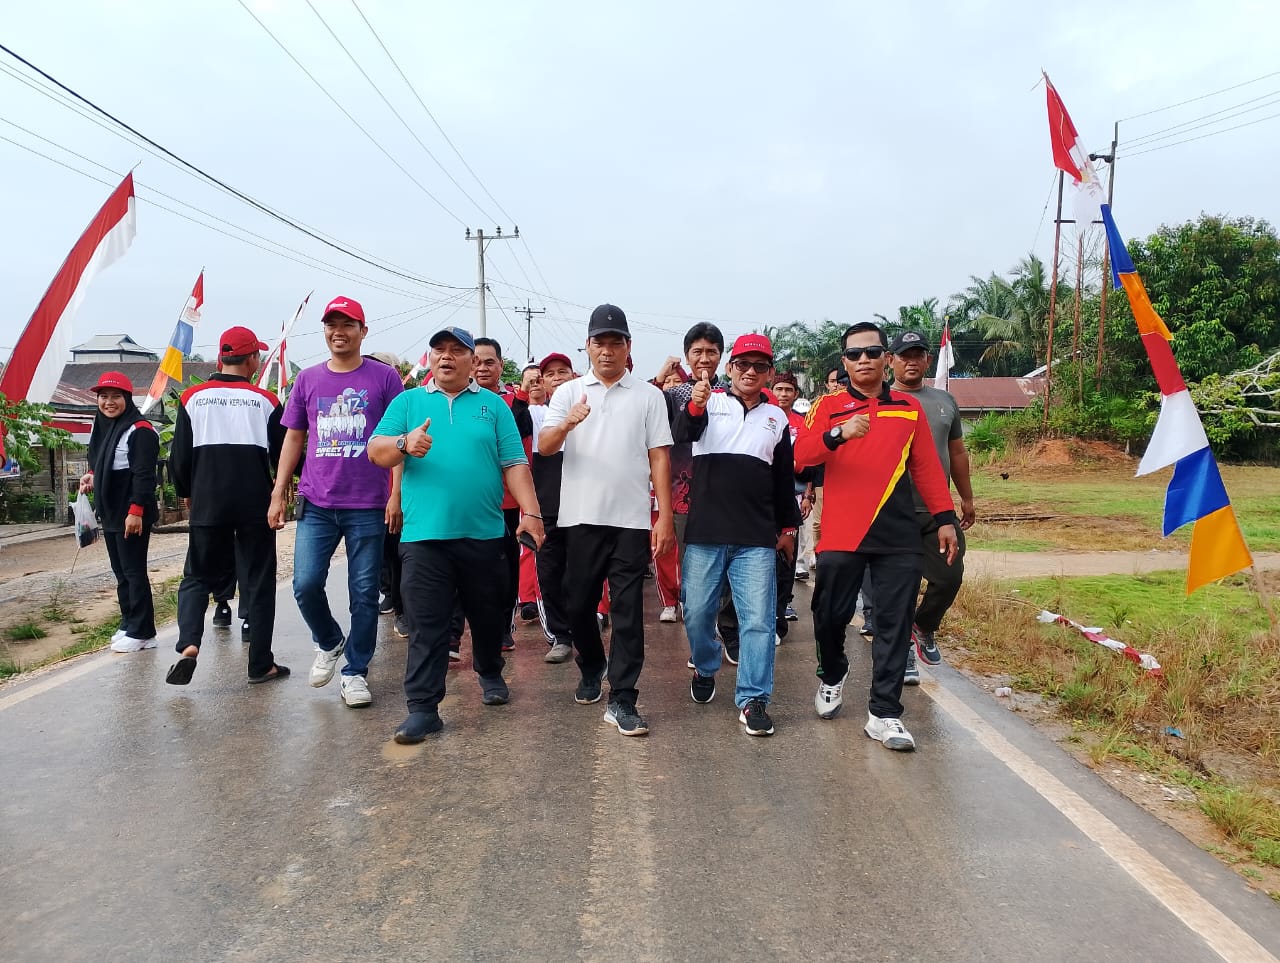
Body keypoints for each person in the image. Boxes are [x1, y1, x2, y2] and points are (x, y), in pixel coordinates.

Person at [369, 326, 544, 743]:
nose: (446, 357)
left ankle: (489, 671)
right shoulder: (408, 402)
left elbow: (514, 463)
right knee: (427, 624)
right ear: (430, 358)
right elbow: (377, 450)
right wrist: (404, 442)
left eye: (456, 351)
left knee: (487, 615)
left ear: (472, 361)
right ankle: (424, 708)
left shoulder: (493, 407)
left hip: (482, 534)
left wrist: (531, 513)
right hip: (424, 537)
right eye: (439, 350)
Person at [794, 321, 958, 751]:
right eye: (853, 354)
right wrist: (837, 434)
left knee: (893, 622)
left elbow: (925, 467)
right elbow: (800, 456)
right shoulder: (828, 406)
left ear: (887, 358)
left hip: (898, 534)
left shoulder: (908, 408)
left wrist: (945, 517)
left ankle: (884, 713)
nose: (862, 360)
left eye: (871, 352)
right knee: (829, 616)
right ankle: (832, 674)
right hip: (843, 535)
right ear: (844, 362)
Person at [539, 305, 674, 737]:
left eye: (617, 342)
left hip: (631, 520)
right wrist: (567, 425)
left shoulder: (648, 396)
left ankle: (623, 698)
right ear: (588, 346)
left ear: (628, 347)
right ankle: (591, 663)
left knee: (628, 610)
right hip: (579, 518)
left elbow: (659, 456)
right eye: (601, 342)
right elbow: (544, 446)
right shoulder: (569, 393)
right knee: (578, 604)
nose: (608, 350)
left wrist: (665, 515)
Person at [268, 296, 405, 708]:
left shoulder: (384, 380)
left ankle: (355, 672)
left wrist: (396, 493)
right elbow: (294, 435)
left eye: (348, 324)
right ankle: (329, 640)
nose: (338, 332)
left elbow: (398, 438)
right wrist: (278, 491)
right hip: (316, 501)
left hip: (367, 503)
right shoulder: (307, 380)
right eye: (332, 324)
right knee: (305, 583)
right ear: (324, 331)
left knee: (363, 592)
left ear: (363, 331)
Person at [673, 335, 799, 736]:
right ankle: (706, 667)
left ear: (768, 373)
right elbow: (683, 432)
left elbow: (782, 480)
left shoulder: (776, 417)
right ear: (730, 368)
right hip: (706, 532)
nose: (750, 371)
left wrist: (788, 527)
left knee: (758, 621)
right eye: (742, 364)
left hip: (755, 538)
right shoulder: (709, 400)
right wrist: (695, 402)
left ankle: (753, 699)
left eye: (759, 366)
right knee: (696, 613)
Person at [167, 326, 287, 686]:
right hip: (255, 507)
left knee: (196, 576)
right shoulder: (266, 401)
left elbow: (179, 459)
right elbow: (284, 456)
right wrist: (283, 491)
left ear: (221, 358)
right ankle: (260, 664)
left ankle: (189, 644)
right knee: (259, 583)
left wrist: (188, 491)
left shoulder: (191, 398)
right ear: (251, 359)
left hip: (208, 504)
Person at [884, 330, 976, 682]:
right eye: (904, 355)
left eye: (917, 354)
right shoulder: (882, 399)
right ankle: (904, 653)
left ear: (926, 360)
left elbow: (957, 452)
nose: (911, 361)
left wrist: (966, 498)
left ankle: (924, 626)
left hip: (938, 511)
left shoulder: (944, 401)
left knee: (949, 576)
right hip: (894, 510)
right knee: (901, 587)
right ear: (891, 360)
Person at [80, 372, 159, 654]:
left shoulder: (140, 430)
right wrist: (91, 475)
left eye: (116, 397)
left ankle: (144, 631)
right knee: (120, 571)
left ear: (127, 399)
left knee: (134, 571)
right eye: (103, 397)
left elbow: (144, 475)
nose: (109, 402)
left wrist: (136, 511)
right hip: (111, 511)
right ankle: (129, 622)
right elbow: (100, 459)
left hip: (131, 512)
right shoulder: (104, 427)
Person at [472, 337, 531, 652]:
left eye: (489, 361)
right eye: (477, 361)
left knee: (505, 568)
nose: (482, 367)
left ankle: (504, 626)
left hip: (507, 503)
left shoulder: (513, 405)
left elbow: (523, 455)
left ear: (500, 365)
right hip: (469, 504)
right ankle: (459, 632)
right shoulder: (453, 400)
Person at [526, 351, 577, 663]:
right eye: (550, 374)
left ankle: (585, 625)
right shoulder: (536, 415)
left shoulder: (587, 410)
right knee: (548, 573)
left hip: (584, 508)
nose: (557, 378)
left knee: (582, 574)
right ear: (542, 382)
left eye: (563, 372)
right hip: (548, 511)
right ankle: (560, 635)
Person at [769, 370, 815, 633]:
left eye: (788, 390)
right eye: (779, 390)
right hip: (763, 498)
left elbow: (808, 461)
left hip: (794, 497)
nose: (783, 394)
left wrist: (808, 494)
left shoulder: (802, 423)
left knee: (787, 552)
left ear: (796, 394)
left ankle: (784, 604)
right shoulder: (764, 416)